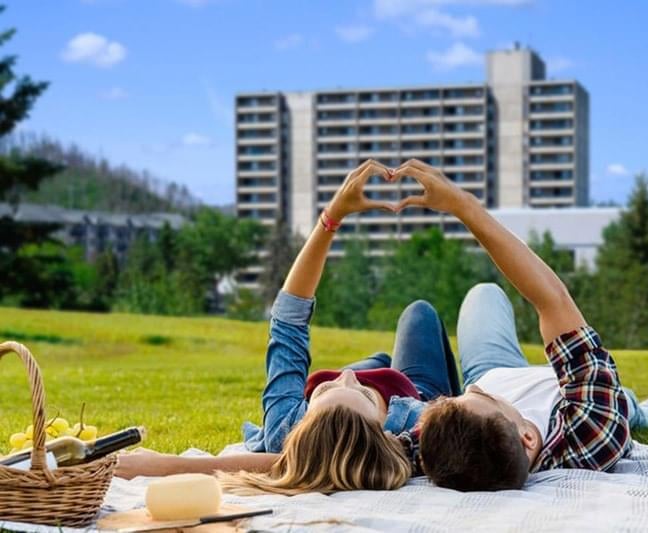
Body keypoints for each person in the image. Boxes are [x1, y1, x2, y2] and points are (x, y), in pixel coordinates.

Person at [116, 160, 459, 494]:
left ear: (303, 422)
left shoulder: (284, 428)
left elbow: (288, 320)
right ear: (386, 435)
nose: (346, 375)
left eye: (319, 393)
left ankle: (363, 378)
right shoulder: (418, 426)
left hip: (337, 416)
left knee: (370, 365)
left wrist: (332, 217)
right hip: (414, 389)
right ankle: (373, 378)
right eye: (365, 394)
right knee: (419, 313)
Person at [387, 159, 648, 491]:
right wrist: (465, 207)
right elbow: (552, 298)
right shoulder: (591, 432)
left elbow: (351, 451)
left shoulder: (439, 450)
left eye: (457, 398)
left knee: (483, 293)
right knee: (629, 405)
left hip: (494, 369)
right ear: (528, 438)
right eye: (479, 398)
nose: (467, 389)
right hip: (572, 392)